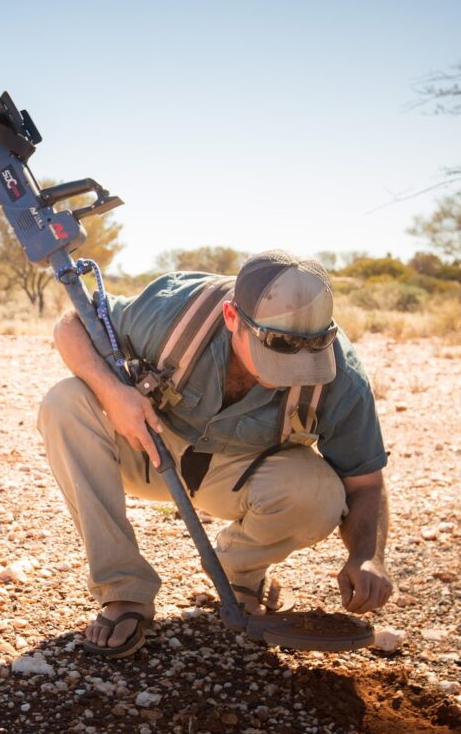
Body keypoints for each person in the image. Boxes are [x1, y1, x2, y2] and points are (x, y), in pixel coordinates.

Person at [37, 249, 393, 658]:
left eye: (308, 352)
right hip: (146, 447)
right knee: (65, 401)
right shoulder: (174, 310)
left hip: (237, 475)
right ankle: (123, 591)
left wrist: (368, 556)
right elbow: (72, 323)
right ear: (231, 318)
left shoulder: (342, 374)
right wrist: (113, 394)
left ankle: (240, 572)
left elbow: (365, 482)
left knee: (321, 495)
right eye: (274, 353)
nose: (288, 373)